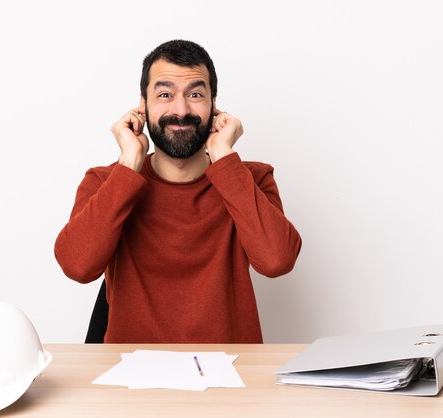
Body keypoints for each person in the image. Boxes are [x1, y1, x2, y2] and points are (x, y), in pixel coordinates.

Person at [54, 39, 302, 343]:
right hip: (129, 375)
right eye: (165, 94)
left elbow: (277, 261)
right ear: (143, 105)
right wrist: (129, 163)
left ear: (214, 105)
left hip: (232, 375)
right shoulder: (106, 181)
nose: (181, 110)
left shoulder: (250, 178)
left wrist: (224, 158)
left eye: (196, 94)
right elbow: (77, 267)